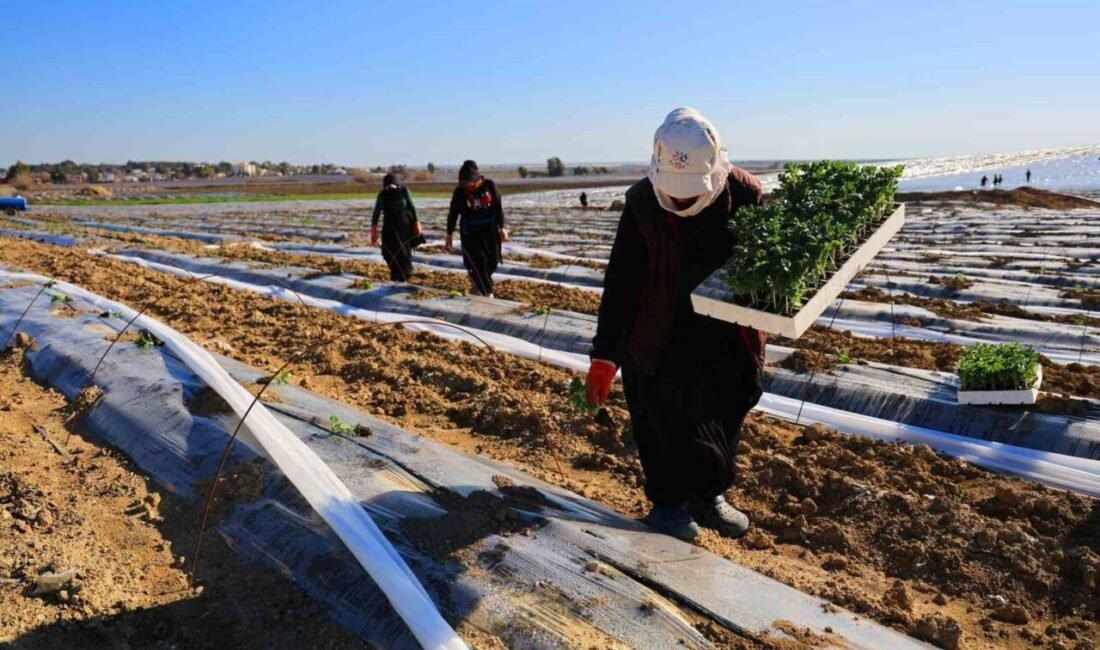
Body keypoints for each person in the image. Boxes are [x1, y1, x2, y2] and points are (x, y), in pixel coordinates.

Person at [585, 108, 767, 542]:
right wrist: (605, 355)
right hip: (660, 325)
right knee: (662, 415)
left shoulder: (744, 193)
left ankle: (708, 497)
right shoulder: (642, 203)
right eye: (675, 193)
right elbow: (622, 279)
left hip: (724, 327)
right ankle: (667, 504)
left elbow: (767, 259)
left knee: (724, 406)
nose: (682, 202)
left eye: (690, 194)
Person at [446, 160, 508, 296]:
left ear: (477, 180)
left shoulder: (489, 186)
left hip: (489, 230)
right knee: (479, 261)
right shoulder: (460, 192)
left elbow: (498, 207)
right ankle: (487, 292)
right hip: (470, 232)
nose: (468, 187)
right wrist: (449, 234)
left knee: (492, 262)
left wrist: (502, 227)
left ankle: (477, 280)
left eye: (470, 184)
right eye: (464, 184)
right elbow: (453, 213)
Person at [371, 173, 422, 282]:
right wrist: (373, 230)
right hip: (389, 224)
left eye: (393, 186)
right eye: (388, 187)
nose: (390, 189)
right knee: (387, 251)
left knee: (403, 250)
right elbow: (376, 213)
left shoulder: (404, 192)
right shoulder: (383, 195)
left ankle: (405, 274)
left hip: (404, 224)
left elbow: (412, 207)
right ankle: (395, 273)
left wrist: (417, 223)